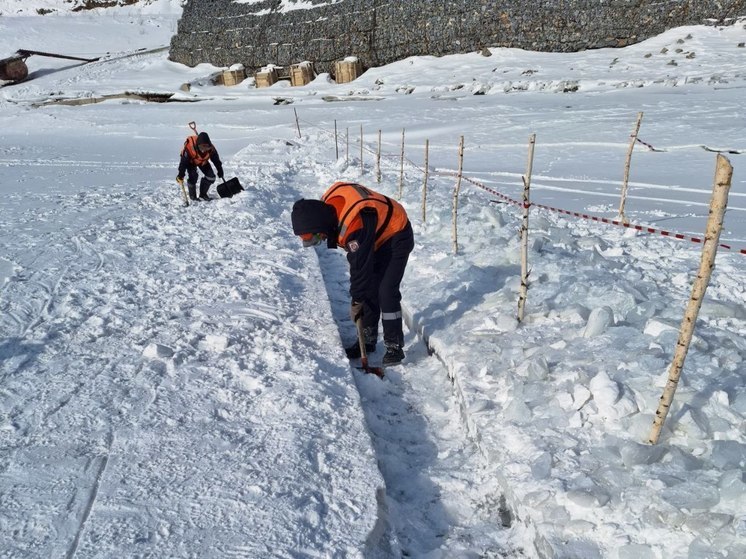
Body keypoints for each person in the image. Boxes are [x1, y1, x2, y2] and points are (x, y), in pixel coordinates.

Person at [291, 181, 415, 366]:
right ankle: (367, 340)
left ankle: (394, 346)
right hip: (374, 235)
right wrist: (360, 298)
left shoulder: (353, 224)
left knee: (386, 290)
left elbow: (360, 269)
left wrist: (356, 301)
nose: (320, 241)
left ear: (320, 226)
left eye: (315, 237)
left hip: (396, 233)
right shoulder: (327, 211)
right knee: (370, 287)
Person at [176, 131, 224, 201]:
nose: (204, 150)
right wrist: (181, 174)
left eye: (206, 148)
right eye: (202, 148)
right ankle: (193, 197)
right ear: (198, 146)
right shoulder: (189, 147)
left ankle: (203, 194)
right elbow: (183, 163)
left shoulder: (211, 148)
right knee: (193, 177)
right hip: (191, 162)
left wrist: (220, 170)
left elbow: (216, 160)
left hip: (202, 161)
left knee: (211, 177)